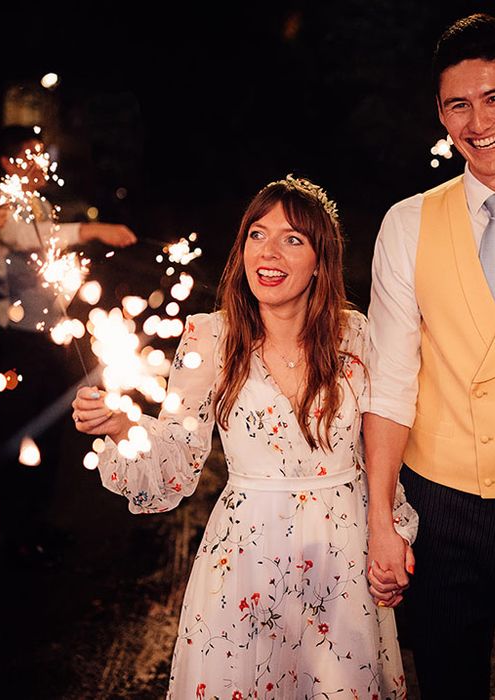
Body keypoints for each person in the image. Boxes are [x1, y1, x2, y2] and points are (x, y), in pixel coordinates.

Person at [73, 176, 417, 698]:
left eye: (292, 239)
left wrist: (391, 532)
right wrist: (124, 426)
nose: (269, 252)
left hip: (341, 554)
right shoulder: (209, 336)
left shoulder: (357, 335)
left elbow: (380, 453)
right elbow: (176, 458)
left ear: (321, 259)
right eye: (257, 234)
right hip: (246, 557)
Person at [364, 13, 495, 699]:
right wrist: (380, 522)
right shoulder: (407, 223)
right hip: (441, 511)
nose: (477, 121)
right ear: (440, 112)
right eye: (458, 103)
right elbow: (390, 383)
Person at [0, 125, 136, 568]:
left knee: (49, 432)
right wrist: (93, 229)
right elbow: (29, 239)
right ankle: (15, 534)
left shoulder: (40, 204)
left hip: (48, 337)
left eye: (43, 155)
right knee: (18, 432)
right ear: (7, 163)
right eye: (29, 156)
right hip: (15, 339)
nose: (40, 164)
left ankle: (38, 524)